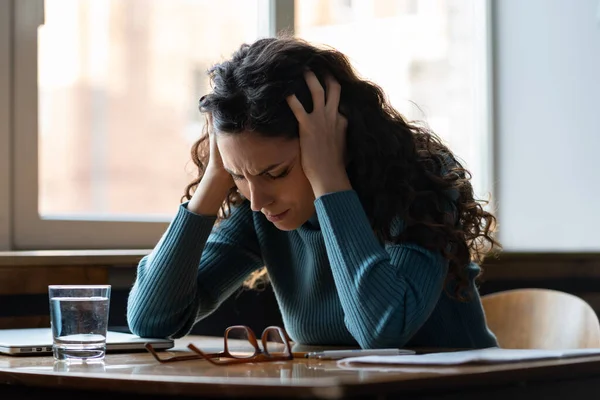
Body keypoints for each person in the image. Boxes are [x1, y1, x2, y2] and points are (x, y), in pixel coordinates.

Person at [126, 36, 501, 349]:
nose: (257, 200)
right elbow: (151, 320)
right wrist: (214, 179)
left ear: (332, 141)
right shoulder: (258, 207)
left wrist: (328, 178)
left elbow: (381, 331)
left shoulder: (417, 182)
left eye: (277, 172)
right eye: (239, 176)